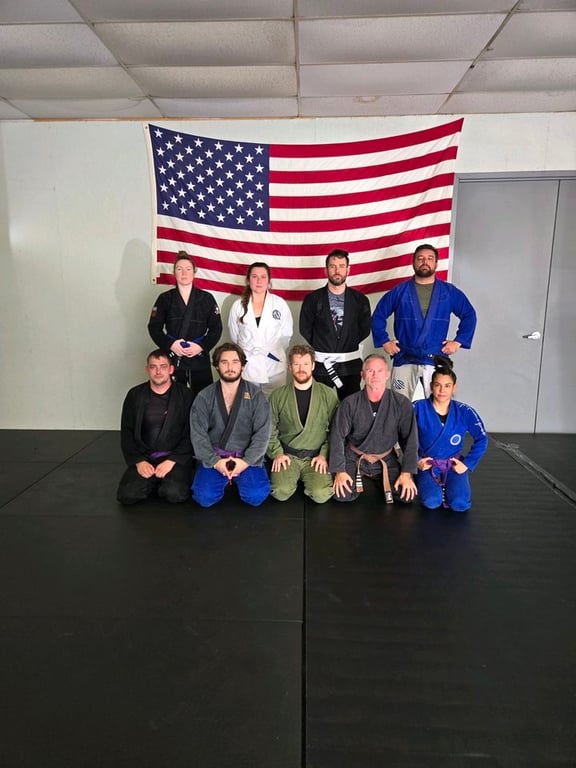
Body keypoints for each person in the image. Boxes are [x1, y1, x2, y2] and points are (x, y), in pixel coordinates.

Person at [371, 243, 477, 400]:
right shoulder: (400, 291)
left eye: (430, 258)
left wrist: (458, 342)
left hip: (435, 357)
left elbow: (469, 314)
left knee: (438, 403)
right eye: (420, 258)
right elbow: (378, 315)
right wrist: (384, 341)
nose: (425, 262)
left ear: (436, 263)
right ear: (413, 262)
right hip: (405, 357)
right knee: (398, 404)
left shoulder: (448, 292)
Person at [190, 342, 272, 508]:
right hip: (215, 457)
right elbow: (198, 435)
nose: (230, 367)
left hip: (246, 457)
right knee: (204, 497)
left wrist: (246, 462)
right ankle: (224, 477)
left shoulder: (256, 395)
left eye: (235, 362)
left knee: (256, 496)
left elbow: (263, 434)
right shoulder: (205, 396)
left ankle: (236, 478)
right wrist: (215, 462)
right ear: (217, 366)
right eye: (224, 362)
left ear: (242, 365)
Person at [329, 354, 418, 503]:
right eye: (370, 371)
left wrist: (406, 473)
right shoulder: (349, 403)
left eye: (380, 371)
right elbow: (337, 436)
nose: (375, 375)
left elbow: (410, 440)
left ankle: (381, 477)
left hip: (385, 457)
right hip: (354, 456)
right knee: (342, 494)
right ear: (362, 375)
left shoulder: (401, 403)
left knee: (406, 495)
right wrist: (339, 471)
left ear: (387, 374)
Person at [117, 349, 193, 505]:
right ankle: (154, 480)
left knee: (175, 494)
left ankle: (164, 481)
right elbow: (127, 432)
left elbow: (191, 433)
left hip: (174, 458)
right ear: (147, 370)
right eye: (153, 367)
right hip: (146, 457)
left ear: (171, 369)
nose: (158, 371)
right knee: (127, 495)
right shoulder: (135, 395)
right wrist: (139, 461)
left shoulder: (185, 395)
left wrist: (172, 460)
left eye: (163, 366)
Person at [413, 357, 488, 512]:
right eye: (438, 385)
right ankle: (425, 482)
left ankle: (451, 487)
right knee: (431, 501)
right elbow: (402, 434)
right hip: (427, 464)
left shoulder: (465, 411)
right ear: (431, 386)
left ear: (454, 388)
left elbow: (482, 438)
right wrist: (416, 460)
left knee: (460, 504)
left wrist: (466, 464)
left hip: (453, 465)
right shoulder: (417, 408)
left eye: (447, 386)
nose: (442, 390)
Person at [267, 344, 339, 504]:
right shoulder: (277, 396)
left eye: (306, 364)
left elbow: (337, 430)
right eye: (296, 364)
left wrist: (324, 454)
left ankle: (310, 479)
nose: (301, 369)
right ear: (290, 367)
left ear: (313, 365)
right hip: (287, 455)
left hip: (316, 457)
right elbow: (268, 428)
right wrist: (277, 453)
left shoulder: (328, 394)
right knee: (280, 492)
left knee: (321, 494)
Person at [148, 250, 222, 399]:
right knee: (174, 398)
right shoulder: (165, 299)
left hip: (199, 355)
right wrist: (171, 345)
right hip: (174, 355)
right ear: (174, 273)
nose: (184, 273)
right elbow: (154, 327)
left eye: (188, 269)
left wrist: (201, 346)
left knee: (203, 399)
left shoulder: (206, 298)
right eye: (179, 269)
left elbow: (216, 328)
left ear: (194, 272)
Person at [299, 248, 372, 400]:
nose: (337, 271)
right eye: (332, 266)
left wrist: (347, 343)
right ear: (326, 270)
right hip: (321, 365)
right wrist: (325, 344)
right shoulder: (312, 299)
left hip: (349, 365)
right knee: (320, 406)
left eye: (341, 266)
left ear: (348, 270)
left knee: (350, 408)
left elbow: (364, 329)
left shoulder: (360, 300)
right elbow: (305, 328)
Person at [227, 262, 293, 395]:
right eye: (254, 276)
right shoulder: (238, 306)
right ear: (248, 280)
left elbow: (286, 335)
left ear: (269, 281)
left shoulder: (279, 304)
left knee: (274, 403)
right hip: (248, 365)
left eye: (263, 277)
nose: (259, 281)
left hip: (274, 365)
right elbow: (234, 335)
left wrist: (271, 349)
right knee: (248, 403)